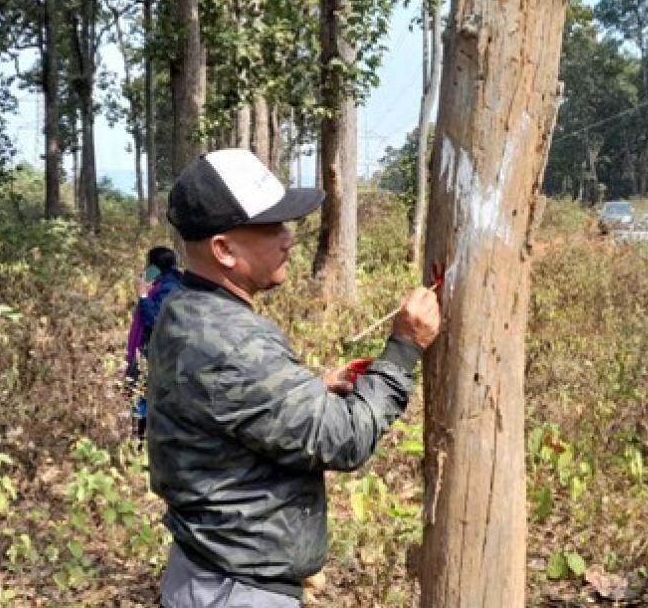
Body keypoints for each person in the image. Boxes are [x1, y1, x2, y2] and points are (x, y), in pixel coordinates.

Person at [148, 149, 441, 607]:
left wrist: (308, 391)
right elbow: (344, 439)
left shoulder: (186, 307)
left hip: (206, 574)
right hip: (234, 591)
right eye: (272, 228)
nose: (289, 239)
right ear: (224, 249)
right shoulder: (232, 341)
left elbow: (223, 404)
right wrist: (403, 349)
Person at [124, 246, 183, 440]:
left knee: (140, 395)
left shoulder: (170, 287)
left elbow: (155, 320)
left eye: (149, 264)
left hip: (156, 351)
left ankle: (139, 442)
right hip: (155, 350)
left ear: (155, 266)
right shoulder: (165, 283)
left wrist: (143, 296)